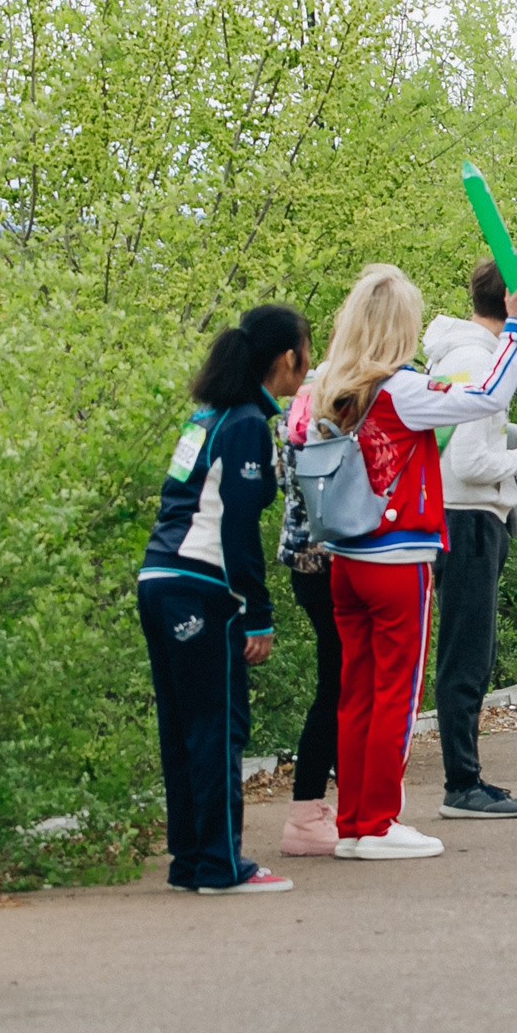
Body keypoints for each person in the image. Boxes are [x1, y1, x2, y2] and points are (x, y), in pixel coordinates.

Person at [312, 261, 517, 861]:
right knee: (395, 693)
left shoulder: (325, 389)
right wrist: (516, 329)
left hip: (345, 557)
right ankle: (379, 822)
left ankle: (354, 822)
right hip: (396, 557)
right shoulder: (399, 389)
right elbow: (485, 395)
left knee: (354, 690)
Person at [138, 304, 313, 895]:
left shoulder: (205, 417)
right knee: (219, 726)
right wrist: (256, 614)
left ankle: (189, 860)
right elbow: (237, 529)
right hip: (201, 587)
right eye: (305, 352)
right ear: (288, 358)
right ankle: (220, 865)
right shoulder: (243, 425)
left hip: (158, 581)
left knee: (183, 728)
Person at [425, 260, 517, 823]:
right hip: (469, 520)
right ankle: (461, 784)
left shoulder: (459, 353)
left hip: (464, 519)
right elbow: (467, 459)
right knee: (467, 655)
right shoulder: (480, 358)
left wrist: (508, 432)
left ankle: (469, 776)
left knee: (470, 651)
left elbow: (454, 422)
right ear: (511, 300)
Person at [275, 373, 343, 859]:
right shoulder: (340, 400)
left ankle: (317, 808)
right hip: (339, 557)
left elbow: (285, 481)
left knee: (336, 680)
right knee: (340, 684)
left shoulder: (296, 406)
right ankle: (308, 809)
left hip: (303, 556)